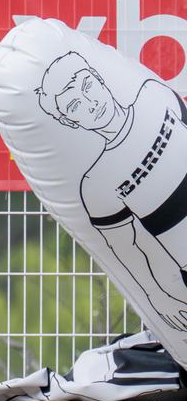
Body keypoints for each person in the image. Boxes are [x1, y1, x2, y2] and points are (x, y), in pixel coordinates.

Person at [37, 51, 187, 332]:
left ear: (98, 78)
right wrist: (158, 297)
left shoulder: (152, 96)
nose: (91, 102)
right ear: (70, 121)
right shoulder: (95, 185)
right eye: (74, 105)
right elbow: (126, 248)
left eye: (87, 86)